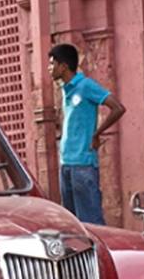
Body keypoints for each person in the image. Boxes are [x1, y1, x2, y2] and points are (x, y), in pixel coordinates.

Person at [48, 43, 125, 224]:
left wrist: (97, 133)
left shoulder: (86, 86)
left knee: (91, 222)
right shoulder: (65, 89)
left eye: (52, 64)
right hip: (66, 163)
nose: (49, 68)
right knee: (72, 224)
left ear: (64, 66)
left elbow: (118, 108)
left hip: (83, 163)